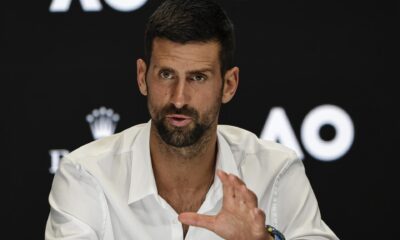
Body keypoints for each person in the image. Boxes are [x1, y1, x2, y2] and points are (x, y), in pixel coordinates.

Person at [45, 0, 339, 239]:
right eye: (166, 74)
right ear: (142, 76)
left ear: (229, 84)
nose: (179, 98)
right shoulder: (86, 175)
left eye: (198, 77)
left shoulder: (275, 171)